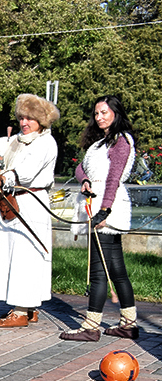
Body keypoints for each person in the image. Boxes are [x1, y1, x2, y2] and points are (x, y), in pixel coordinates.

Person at [61, 95, 139, 341]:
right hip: (98, 204)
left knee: (98, 271)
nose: (99, 117)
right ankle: (129, 323)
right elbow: (80, 167)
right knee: (116, 270)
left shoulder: (121, 141)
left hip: (107, 206)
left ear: (116, 113)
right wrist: (84, 180)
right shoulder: (100, 143)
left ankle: (90, 327)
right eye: (96, 113)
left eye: (104, 112)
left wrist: (104, 211)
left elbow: (113, 179)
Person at [0, 94, 59, 327]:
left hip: (31, 201)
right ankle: (29, 306)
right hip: (12, 201)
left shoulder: (46, 142)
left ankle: (20, 312)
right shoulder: (17, 139)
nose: (24, 123)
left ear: (42, 121)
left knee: (26, 256)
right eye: (22, 118)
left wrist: (2, 177)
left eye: (30, 118)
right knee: (14, 253)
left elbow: (26, 172)